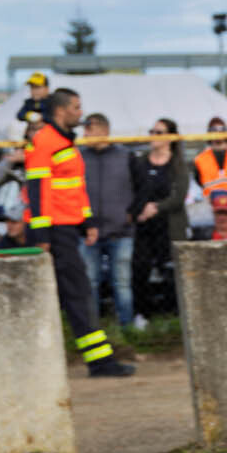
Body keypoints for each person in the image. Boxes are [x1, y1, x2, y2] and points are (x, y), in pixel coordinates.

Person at [26, 88, 133, 377]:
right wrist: (43, 235)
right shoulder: (46, 141)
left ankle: (98, 360)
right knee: (78, 294)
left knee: (75, 294)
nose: (80, 113)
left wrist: (87, 222)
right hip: (54, 231)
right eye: (76, 107)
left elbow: (74, 188)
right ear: (61, 111)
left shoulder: (65, 142)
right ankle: (100, 362)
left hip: (66, 228)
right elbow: (38, 190)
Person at [80, 112, 140, 328]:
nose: (85, 134)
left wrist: (132, 213)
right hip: (88, 231)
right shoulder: (79, 157)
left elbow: (142, 187)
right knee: (89, 283)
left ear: (104, 131)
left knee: (122, 284)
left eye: (90, 129)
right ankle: (91, 329)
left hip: (121, 231)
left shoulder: (126, 156)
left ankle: (127, 328)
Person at [132, 118, 189, 323]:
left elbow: (179, 197)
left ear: (170, 137)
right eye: (152, 131)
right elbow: (133, 189)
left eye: (159, 132)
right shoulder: (141, 161)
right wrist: (139, 210)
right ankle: (142, 315)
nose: (153, 136)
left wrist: (156, 207)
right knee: (140, 268)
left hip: (169, 226)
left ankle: (173, 316)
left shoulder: (177, 164)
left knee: (170, 271)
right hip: (145, 226)